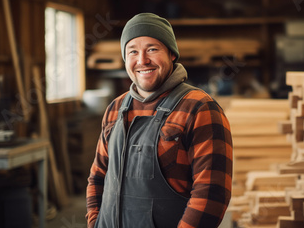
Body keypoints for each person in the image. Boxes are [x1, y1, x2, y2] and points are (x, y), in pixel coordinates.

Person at [86, 13, 233, 228]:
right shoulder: (115, 109)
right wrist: (94, 223)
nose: (142, 60)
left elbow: (212, 194)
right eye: (133, 51)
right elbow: (97, 178)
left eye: (152, 49)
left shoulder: (199, 108)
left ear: (172, 54)